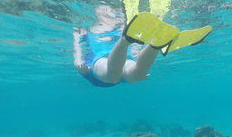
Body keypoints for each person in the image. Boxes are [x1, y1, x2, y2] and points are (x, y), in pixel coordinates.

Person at [73, 5, 212, 87]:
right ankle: (156, 44)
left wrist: (79, 64)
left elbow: (77, 56)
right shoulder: (84, 33)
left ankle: (126, 39)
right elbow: (77, 48)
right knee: (137, 76)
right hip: (122, 58)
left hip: (99, 60)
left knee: (112, 77)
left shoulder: (85, 34)